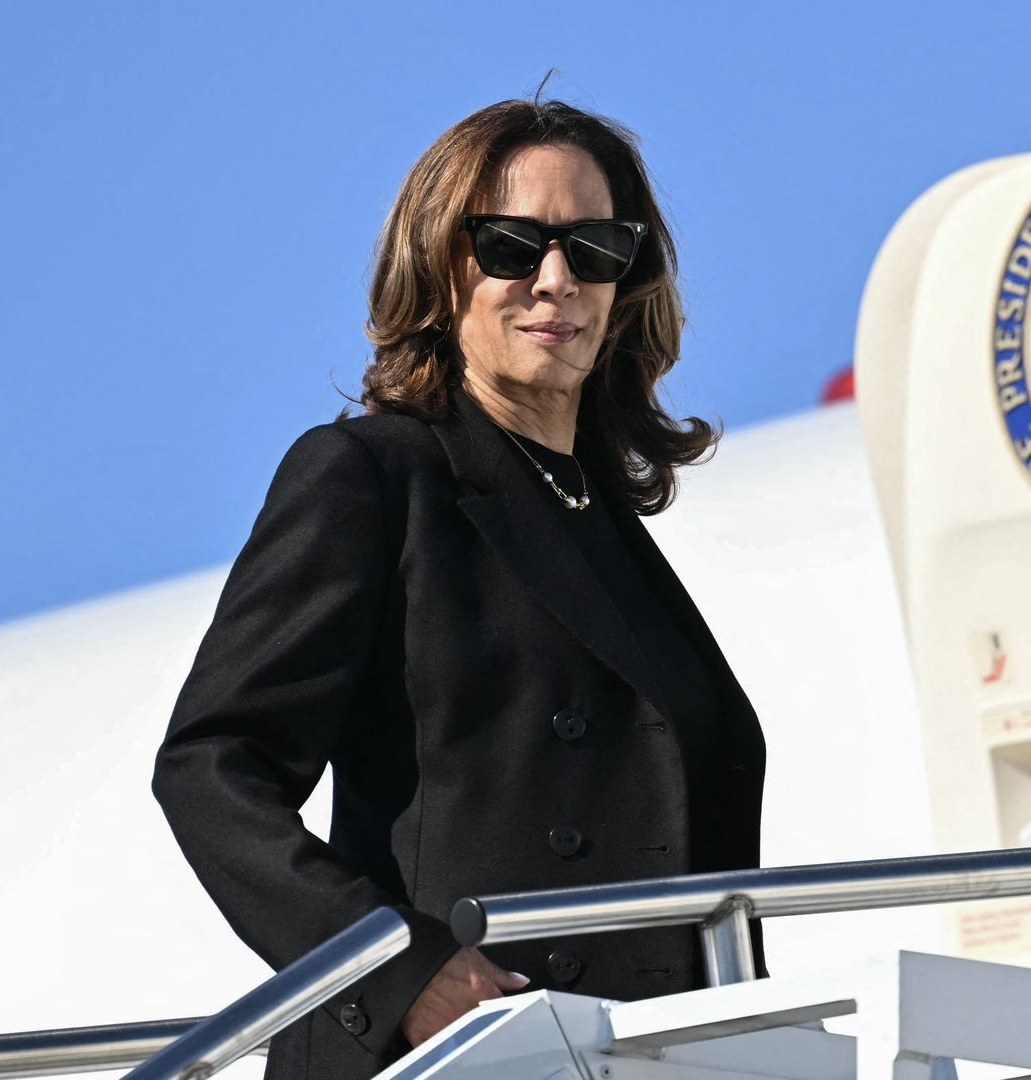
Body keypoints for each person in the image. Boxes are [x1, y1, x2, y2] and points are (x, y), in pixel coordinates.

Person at [150, 97, 767, 1080]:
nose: (556, 280)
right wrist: (400, 971)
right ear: (441, 267)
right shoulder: (371, 475)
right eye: (512, 245)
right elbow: (211, 766)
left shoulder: (600, 518)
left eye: (595, 248)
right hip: (448, 1054)